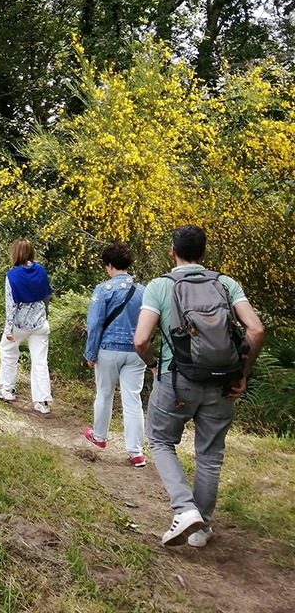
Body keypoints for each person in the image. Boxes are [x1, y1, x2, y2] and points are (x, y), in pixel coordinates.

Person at [133, 225, 265, 547]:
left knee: (160, 440)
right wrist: (242, 374)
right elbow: (256, 330)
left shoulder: (160, 286)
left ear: (172, 252)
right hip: (223, 383)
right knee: (210, 454)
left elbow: (141, 340)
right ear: (204, 253)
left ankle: (185, 508)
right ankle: (202, 528)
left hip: (176, 380)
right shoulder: (226, 283)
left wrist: (153, 365)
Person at [82, 242, 148, 466]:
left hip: (108, 349)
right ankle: (136, 452)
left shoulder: (103, 290)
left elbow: (95, 323)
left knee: (104, 394)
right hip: (136, 351)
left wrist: (91, 353)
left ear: (109, 265)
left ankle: (100, 437)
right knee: (133, 400)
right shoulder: (143, 291)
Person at [0, 238, 53, 414]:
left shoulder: (12, 275)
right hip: (40, 322)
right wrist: (45, 316)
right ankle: (42, 401)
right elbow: (46, 296)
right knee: (40, 361)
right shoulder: (40, 270)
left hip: (20, 324)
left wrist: (8, 330)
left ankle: (7, 389)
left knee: (8, 350)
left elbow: (10, 305)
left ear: (14, 253)